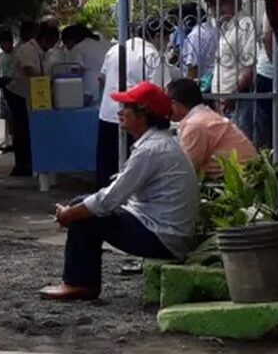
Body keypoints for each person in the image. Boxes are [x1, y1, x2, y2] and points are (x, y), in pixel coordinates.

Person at [39, 82, 199, 301]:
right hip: (161, 229)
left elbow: (108, 200)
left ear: (143, 114)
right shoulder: (157, 143)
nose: (120, 112)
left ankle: (79, 284)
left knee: (86, 214)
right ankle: (81, 281)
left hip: (164, 237)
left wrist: (70, 214)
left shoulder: (151, 149)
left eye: (126, 107)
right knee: (83, 205)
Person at [96, 20, 182, 187]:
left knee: (107, 164)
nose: (167, 43)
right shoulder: (151, 55)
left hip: (108, 113)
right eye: (167, 38)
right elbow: (160, 89)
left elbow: (102, 78)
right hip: (135, 118)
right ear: (157, 35)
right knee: (132, 170)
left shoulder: (115, 49)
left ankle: (103, 201)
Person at [166, 78, 257, 177]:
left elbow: (186, 171)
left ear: (174, 103)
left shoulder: (195, 125)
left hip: (239, 181)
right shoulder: (202, 116)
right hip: (244, 175)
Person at [207, 0, 259, 143]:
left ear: (237, 2)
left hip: (238, 101)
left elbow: (250, 67)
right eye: (214, 4)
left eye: (223, 2)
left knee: (239, 147)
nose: (218, 8)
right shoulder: (225, 27)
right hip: (224, 102)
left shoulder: (245, 25)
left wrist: (233, 95)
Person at [7, 20, 55, 177]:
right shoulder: (27, 50)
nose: (51, 47)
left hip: (28, 93)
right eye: (50, 43)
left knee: (27, 129)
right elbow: (30, 72)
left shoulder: (39, 51)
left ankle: (28, 162)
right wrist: (47, 84)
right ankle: (22, 165)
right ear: (43, 39)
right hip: (18, 93)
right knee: (22, 131)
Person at [61, 24, 108, 105]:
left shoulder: (78, 48)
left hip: (89, 93)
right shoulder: (104, 43)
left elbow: (74, 73)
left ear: (71, 39)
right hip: (107, 90)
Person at [0, 30, 16, 153]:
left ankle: (15, 140)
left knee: (15, 117)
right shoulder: (0, 57)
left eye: (4, 43)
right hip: (4, 90)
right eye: (0, 43)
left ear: (11, 42)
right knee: (7, 117)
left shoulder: (17, 55)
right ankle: (9, 141)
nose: (2, 46)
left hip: (15, 89)